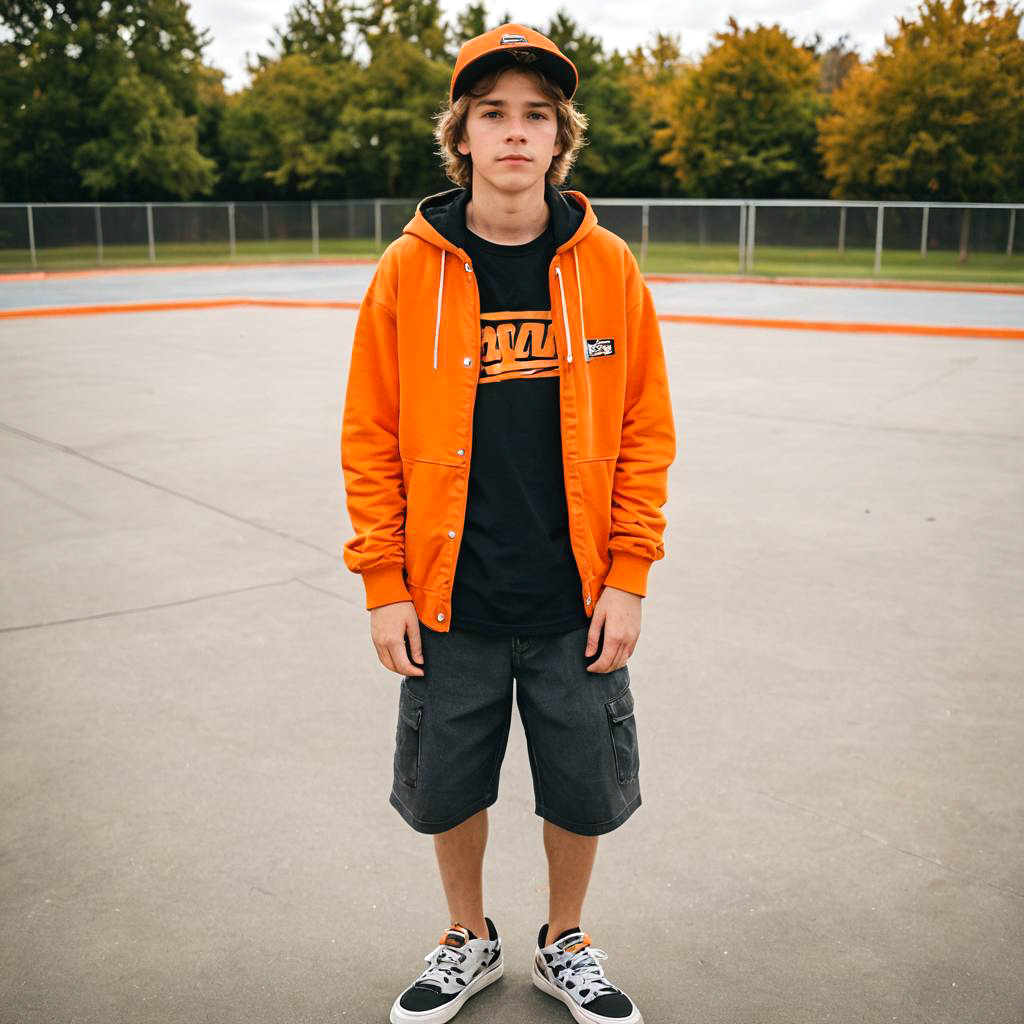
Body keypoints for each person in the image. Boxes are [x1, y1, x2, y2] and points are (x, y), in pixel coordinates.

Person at [341, 21, 676, 1024]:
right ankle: (468, 938)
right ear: (463, 134)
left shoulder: (607, 264)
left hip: (575, 597)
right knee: (450, 785)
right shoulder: (410, 270)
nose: (516, 133)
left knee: (580, 785)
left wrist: (628, 573)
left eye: (536, 115)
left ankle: (563, 941)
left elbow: (645, 429)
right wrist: (384, 583)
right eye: (494, 114)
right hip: (451, 595)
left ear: (559, 137)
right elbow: (370, 433)